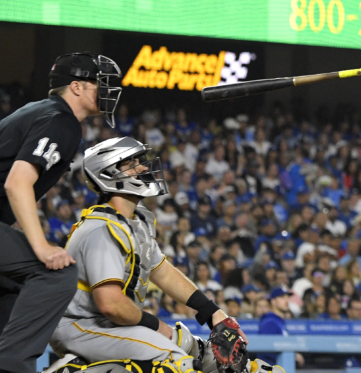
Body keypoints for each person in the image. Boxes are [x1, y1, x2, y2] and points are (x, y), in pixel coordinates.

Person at [47, 136, 280, 373]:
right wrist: (157, 326)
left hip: (113, 325)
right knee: (175, 364)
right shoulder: (101, 228)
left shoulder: (135, 221)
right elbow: (110, 304)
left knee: (208, 357)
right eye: (132, 163)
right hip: (81, 326)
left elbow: (163, 272)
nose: (144, 167)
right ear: (109, 174)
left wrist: (213, 313)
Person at [0, 52, 121, 373]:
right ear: (77, 87)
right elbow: (17, 183)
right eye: (101, 84)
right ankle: (11, 367)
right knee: (56, 273)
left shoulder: (42, 111)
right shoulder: (61, 120)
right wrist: (40, 247)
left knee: (13, 283)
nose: (108, 91)